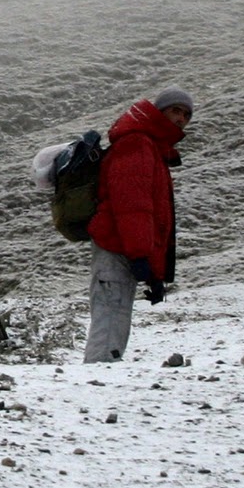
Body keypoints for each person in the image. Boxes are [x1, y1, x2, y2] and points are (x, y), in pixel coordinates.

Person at [82, 87, 193, 363]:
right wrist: (140, 255)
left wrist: (154, 271)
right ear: (159, 111)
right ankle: (98, 377)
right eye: (175, 110)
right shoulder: (138, 143)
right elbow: (133, 207)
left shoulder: (150, 147)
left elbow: (147, 214)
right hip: (116, 246)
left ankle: (103, 371)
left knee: (115, 312)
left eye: (186, 114)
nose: (181, 119)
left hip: (123, 246)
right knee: (111, 312)